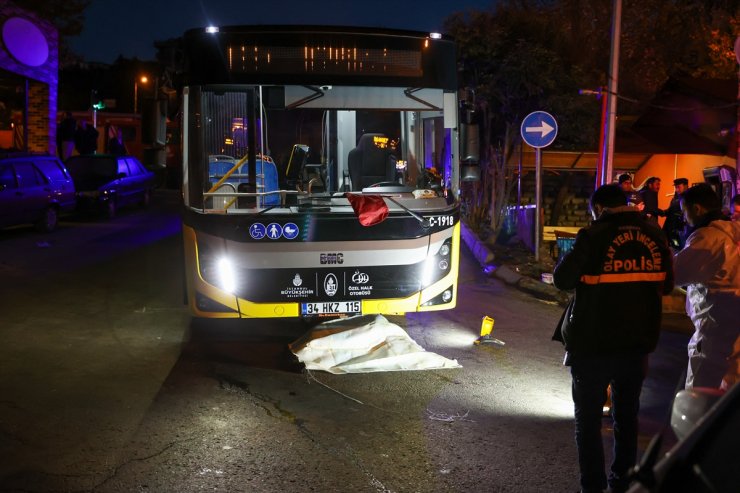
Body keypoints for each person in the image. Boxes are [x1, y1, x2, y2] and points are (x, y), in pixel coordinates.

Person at [553, 184, 674, 493]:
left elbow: (562, 279)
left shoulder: (592, 236)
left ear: (600, 209)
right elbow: (668, 284)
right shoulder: (655, 236)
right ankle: (622, 482)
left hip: (593, 344)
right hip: (637, 343)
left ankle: (592, 487)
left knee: (589, 420)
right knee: (627, 416)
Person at [673, 183, 740, 390]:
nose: (684, 218)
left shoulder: (707, 238)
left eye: (685, 211)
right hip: (735, 329)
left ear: (697, 209)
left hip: (714, 328)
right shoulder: (735, 232)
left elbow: (675, 273)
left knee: (700, 394)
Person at [662, 178, 688, 250]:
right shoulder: (675, 198)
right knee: (674, 248)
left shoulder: (689, 198)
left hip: (682, 230)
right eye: (676, 187)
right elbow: (670, 211)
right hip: (673, 230)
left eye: (678, 187)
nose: (676, 190)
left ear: (685, 186)